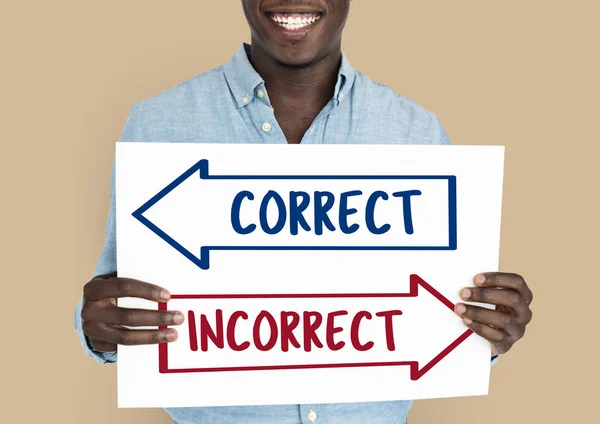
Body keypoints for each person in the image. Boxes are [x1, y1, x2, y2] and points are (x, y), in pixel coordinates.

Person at [75, 1, 534, 423]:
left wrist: (485, 333)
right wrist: (99, 330)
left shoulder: (417, 132)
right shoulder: (155, 125)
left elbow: (438, 311)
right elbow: (115, 299)